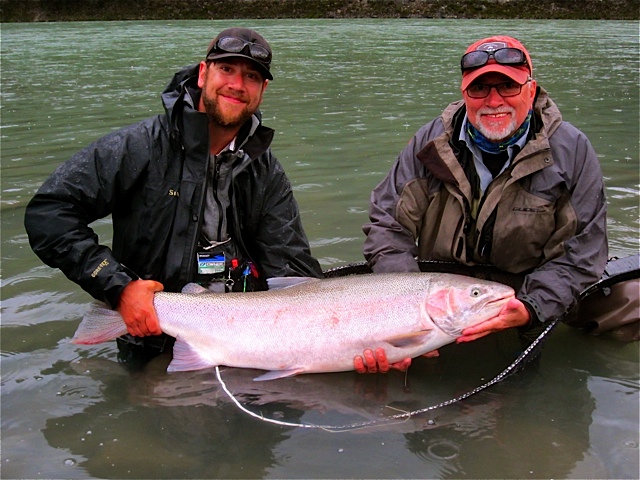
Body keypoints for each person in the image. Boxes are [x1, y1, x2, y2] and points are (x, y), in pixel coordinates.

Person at [24, 27, 323, 361]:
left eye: (251, 76)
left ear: (262, 90)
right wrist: (118, 287)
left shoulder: (265, 171)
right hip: (153, 343)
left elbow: (293, 272)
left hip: (246, 341)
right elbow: (49, 213)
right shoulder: (138, 147)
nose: (237, 85)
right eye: (226, 69)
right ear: (202, 73)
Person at [356, 35, 608, 373]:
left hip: (523, 287)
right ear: (464, 94)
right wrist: (407, 309)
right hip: (436, 289)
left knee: (626, 301)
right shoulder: (429, 144)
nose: (493, 100)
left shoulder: (572, 151)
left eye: (507, 86)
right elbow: (387, 226)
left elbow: (583, 253)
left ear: (531, 91)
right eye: (480, 89)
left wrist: (532, 306)